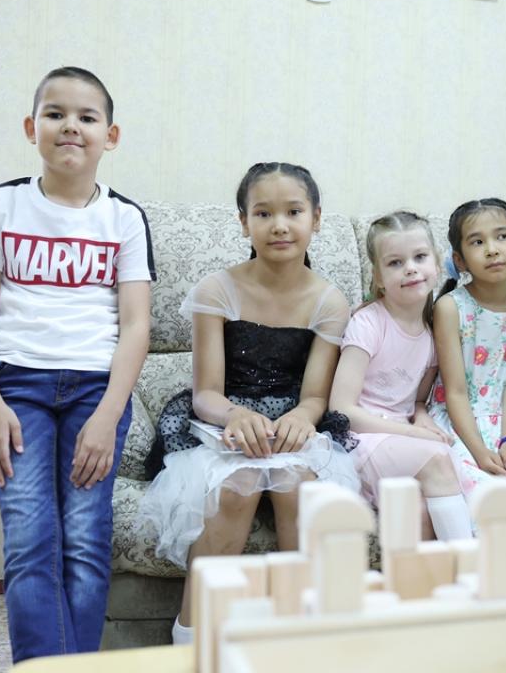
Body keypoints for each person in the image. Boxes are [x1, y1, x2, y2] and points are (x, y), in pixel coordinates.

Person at [0, 67, 154, 663]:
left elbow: (137, 325)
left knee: (85, 543)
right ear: (31, 127)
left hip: (97, 391)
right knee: (29, 540)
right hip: (17, 386)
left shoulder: (124, 218)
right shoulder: (2, 204)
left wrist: (109, 416)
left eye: (87, 117)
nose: (71, 126)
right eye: (56, 114)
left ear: (110, 136)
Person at [141, 162, 360, 645]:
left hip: (291, 424)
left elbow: (316, 396)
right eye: (263, 213)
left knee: (297, 489)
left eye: (293, 212)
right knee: (236, 489)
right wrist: (236, 415)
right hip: (223, 420)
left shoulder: (329, 302)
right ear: (244, 223)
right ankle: (192, 636)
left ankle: (299, 634)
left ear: (316, 218)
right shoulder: (217, 290)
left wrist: (302, 416)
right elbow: (206, 393)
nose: (279, 225)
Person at [329, 211, 473, 540]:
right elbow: (341, 410)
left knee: (421, 511)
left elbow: (417, 400)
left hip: (400, 440)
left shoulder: (432, 334)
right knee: (438, 458)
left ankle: (429, 574)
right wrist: (412, 433)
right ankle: (471, 567)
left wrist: (422, 419)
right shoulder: (368, 324)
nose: (410, 268)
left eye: (420, 257)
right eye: (395, 263)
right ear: (378, 277)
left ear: (437, 264)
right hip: (359, 440)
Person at [426, 198, 506, 546]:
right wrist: (479, 452)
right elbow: (455, 392)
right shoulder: (450, 308)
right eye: (477, 242)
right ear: (460, 260)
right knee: (486, 500)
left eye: (501, 237)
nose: (492, 249)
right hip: (457, 424)